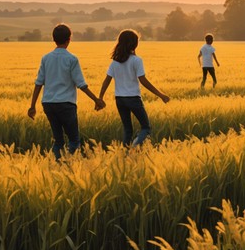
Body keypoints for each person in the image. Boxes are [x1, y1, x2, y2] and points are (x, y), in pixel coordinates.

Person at [27, 24, 105, 160]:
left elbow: (39, 83)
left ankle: (55, 165)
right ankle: (68, 165)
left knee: (58, 141)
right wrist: (96, 100)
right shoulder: (72, 59)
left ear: (54, 39)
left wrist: (32, 106)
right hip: (66, 105)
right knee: (74, 140)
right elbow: (81, 84)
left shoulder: (46, 58)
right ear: (69, 39)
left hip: (48, 104)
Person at [98, 29, 169, 147]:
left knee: (128, 130)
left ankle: (125, 153)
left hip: (120, 99)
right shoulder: (136, 60)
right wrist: (161, 95)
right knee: (146, 128)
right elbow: (143, 81)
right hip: (133, 99)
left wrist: (100, 98)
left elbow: (106, 81)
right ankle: (134, 147)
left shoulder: (115, 62)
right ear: (134, 44)